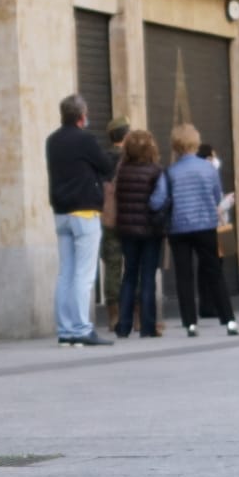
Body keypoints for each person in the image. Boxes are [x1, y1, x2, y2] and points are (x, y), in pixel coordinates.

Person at [45, 95, 113, 347]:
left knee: (65, 273)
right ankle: (82, 328)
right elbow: (106, 165)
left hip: (61, 212)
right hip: (84, 212)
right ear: (82, 116)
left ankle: (65, 330)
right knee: (84, 274)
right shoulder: (85, 139)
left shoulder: (52, 140)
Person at [166, 124, 239, 337]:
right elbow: (217, 196)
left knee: (184, 275)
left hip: (179, 228)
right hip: (206, 225)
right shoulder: (208, 168)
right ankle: (229, 320)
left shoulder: (171, 172)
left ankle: (190, 323)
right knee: (214, 272)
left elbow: (161, 199)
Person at [110, 128, 169, 338]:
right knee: (147, 278)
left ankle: (123, 325)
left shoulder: (122, 170)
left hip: (126, 230)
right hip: (150, 230)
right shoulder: (156, 171)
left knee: (129, 275)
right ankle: (147, 326)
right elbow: (158, 201)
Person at [99, 117, 129, 327]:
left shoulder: (101, 159)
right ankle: (136, 315)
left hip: (108, 217)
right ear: (126, 135)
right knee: (133, 264)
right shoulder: (131, 158)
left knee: (112, 265)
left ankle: (113, 315)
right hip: (130, 216)